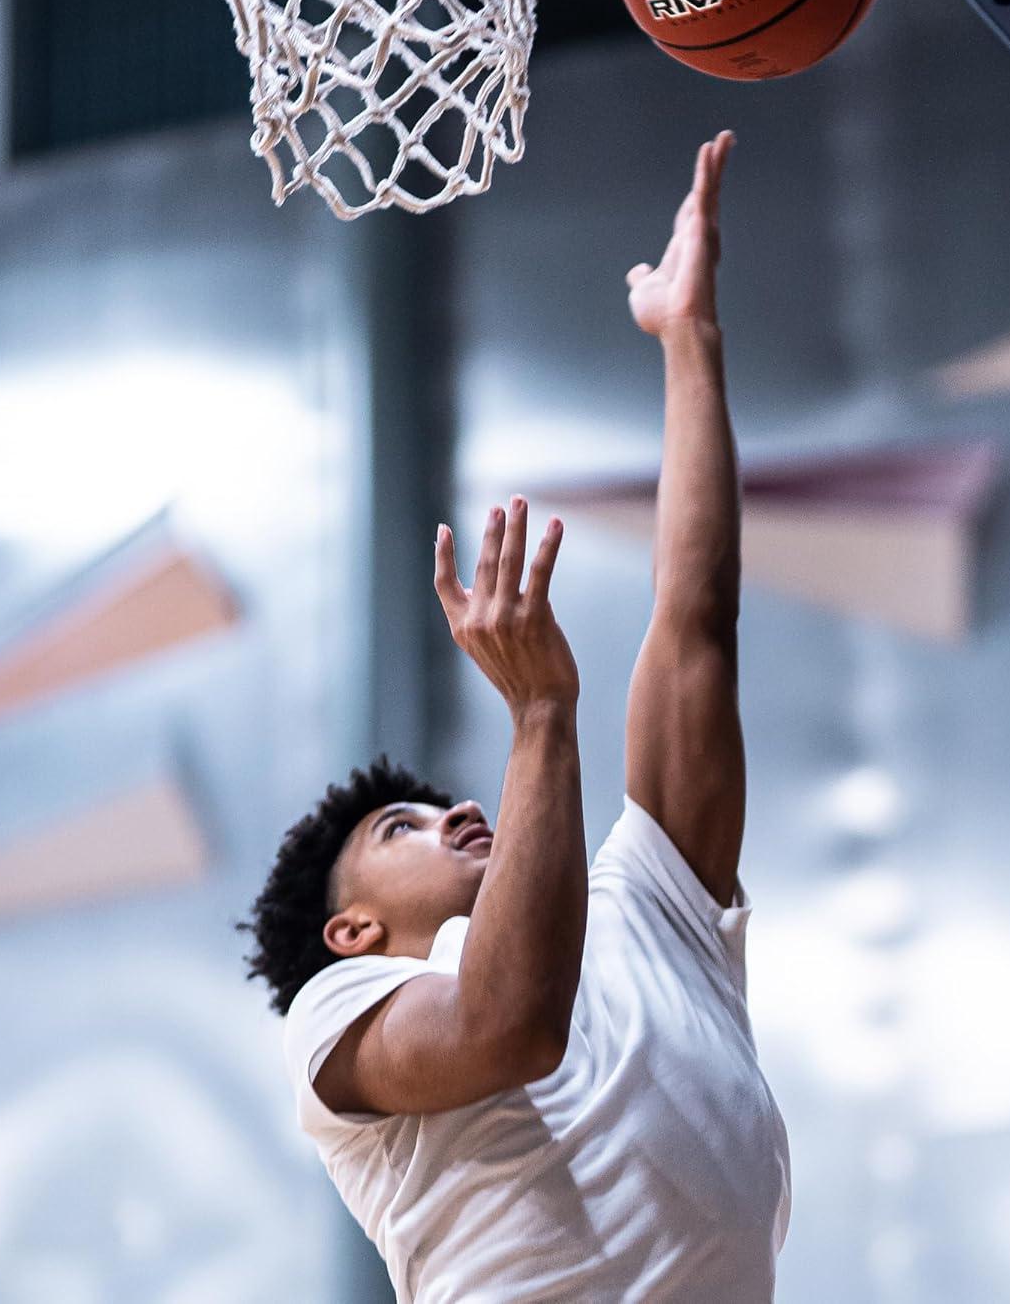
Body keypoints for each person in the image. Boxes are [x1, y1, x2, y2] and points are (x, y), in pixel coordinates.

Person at [236, 131, 791, 1302]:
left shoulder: (643, 914)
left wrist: (689, 342)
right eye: (403, 830)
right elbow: (508, 1026)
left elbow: (695, 619)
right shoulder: (344, 1014)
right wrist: (540, 710)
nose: (460, 812)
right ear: (352, 935)